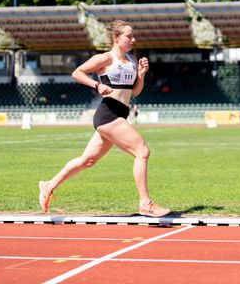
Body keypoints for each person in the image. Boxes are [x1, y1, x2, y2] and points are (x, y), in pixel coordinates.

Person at [38, 20, 170, 218]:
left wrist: (141, 75)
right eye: (129, 36)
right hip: (108, 114)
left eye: (133, 36)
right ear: (116, 38)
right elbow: (77, 73)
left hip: (120, 113)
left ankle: (49, 185)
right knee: (142, 151)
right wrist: (97, 86)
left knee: (87, 160)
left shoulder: (133, 60)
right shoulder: (105, 59)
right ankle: (145, 203)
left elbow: (135, 91)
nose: (133, 39)